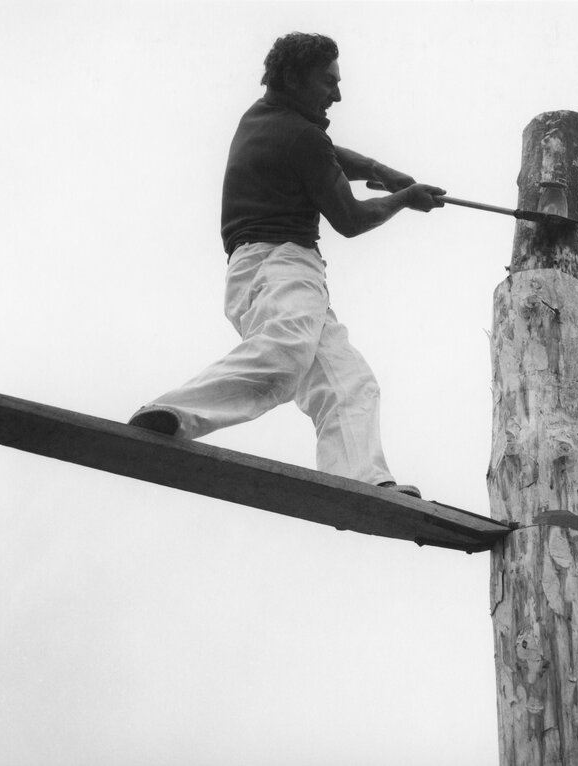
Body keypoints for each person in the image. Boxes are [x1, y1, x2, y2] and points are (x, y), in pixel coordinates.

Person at [127, 32, 445, 499]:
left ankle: (361, 479)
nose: (337, 94)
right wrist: (403, 198)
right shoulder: (301, 137)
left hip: (265, 268)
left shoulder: (263, 117)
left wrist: (380, 169)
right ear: (295, 78)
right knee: (285, 353)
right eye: (328, 82)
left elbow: (328, 152)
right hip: (281, 265)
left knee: (350, 382)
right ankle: (171, 413)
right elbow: (351, 219)